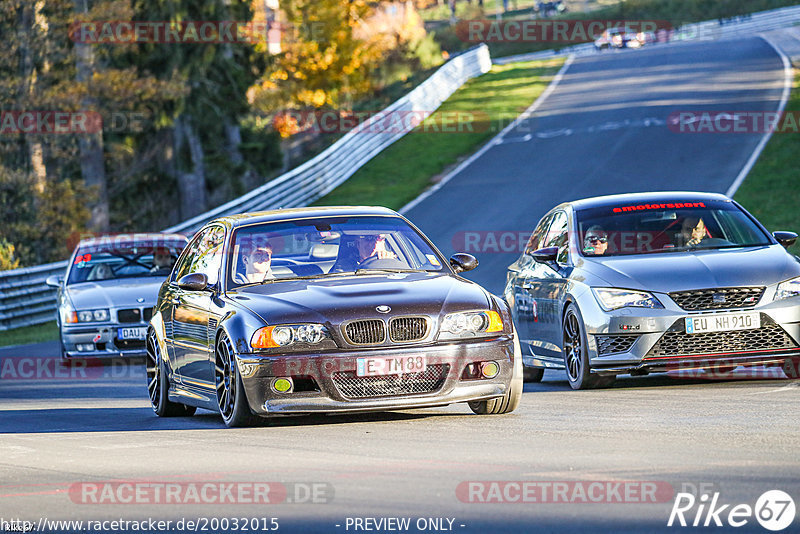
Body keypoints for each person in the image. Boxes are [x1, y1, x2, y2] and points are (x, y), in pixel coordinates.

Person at [330, 234, 397, 272]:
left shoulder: (392, 261)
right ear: (358, 243)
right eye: (369, 238)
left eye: (380, 238)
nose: (375, 244)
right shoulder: (344, 266)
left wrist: (390, 264)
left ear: (384, 242)